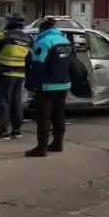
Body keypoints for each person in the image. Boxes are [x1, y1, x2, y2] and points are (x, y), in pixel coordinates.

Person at [24, 18, 73, 157]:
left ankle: (41, 148)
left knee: (44, 117)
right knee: (59, 115)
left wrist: (31, 84)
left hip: (47, 86)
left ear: (42, 30)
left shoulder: (44, 42)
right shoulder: (65, 41)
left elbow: (38, 66)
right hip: (63, 84)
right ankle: (58, 144)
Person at [0, 13, 32, 141]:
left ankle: (3, 131)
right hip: (20, 73)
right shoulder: (28, 38)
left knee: (3, 101)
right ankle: (16, 130)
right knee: (16, 101)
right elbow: (29, 57)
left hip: (6, 72)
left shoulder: (6, 35)